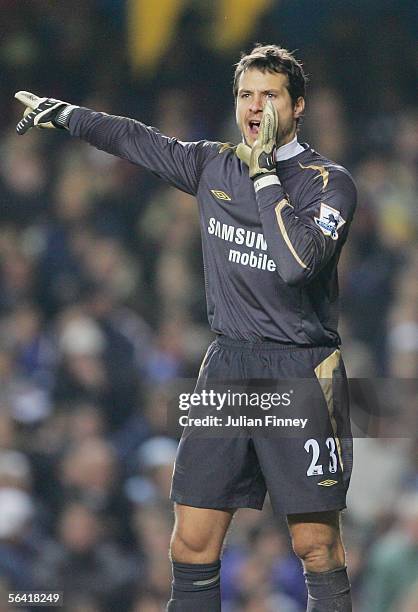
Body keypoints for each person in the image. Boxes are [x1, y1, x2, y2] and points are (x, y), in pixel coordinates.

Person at [15, 44, 357, 612]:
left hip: (301, 371)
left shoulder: (329, 182)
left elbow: (298, 263)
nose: (254, 107)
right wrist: (66, 113)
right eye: (245, 95)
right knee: (192, 542)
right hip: (227, 366)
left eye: (269, 95)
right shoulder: (211, 164)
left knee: (315, 546)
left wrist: (266, 176)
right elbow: (135, 140)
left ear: (298, 106)